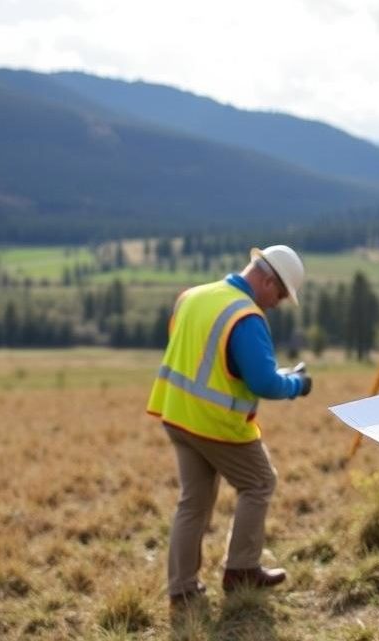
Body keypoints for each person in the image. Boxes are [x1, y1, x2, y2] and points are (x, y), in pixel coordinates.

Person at [147, 244, 312, 609]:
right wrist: (297, 384)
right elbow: (263, 382)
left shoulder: (193, 296)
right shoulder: (245, 316)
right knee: (259, 482)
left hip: (177, 414)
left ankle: (182, 589)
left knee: (193, 502)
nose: (278, 304)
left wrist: (276, 374)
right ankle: (242, 571)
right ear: (267, 281)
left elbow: (205, 356)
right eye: (281, 295)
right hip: (217, 424)